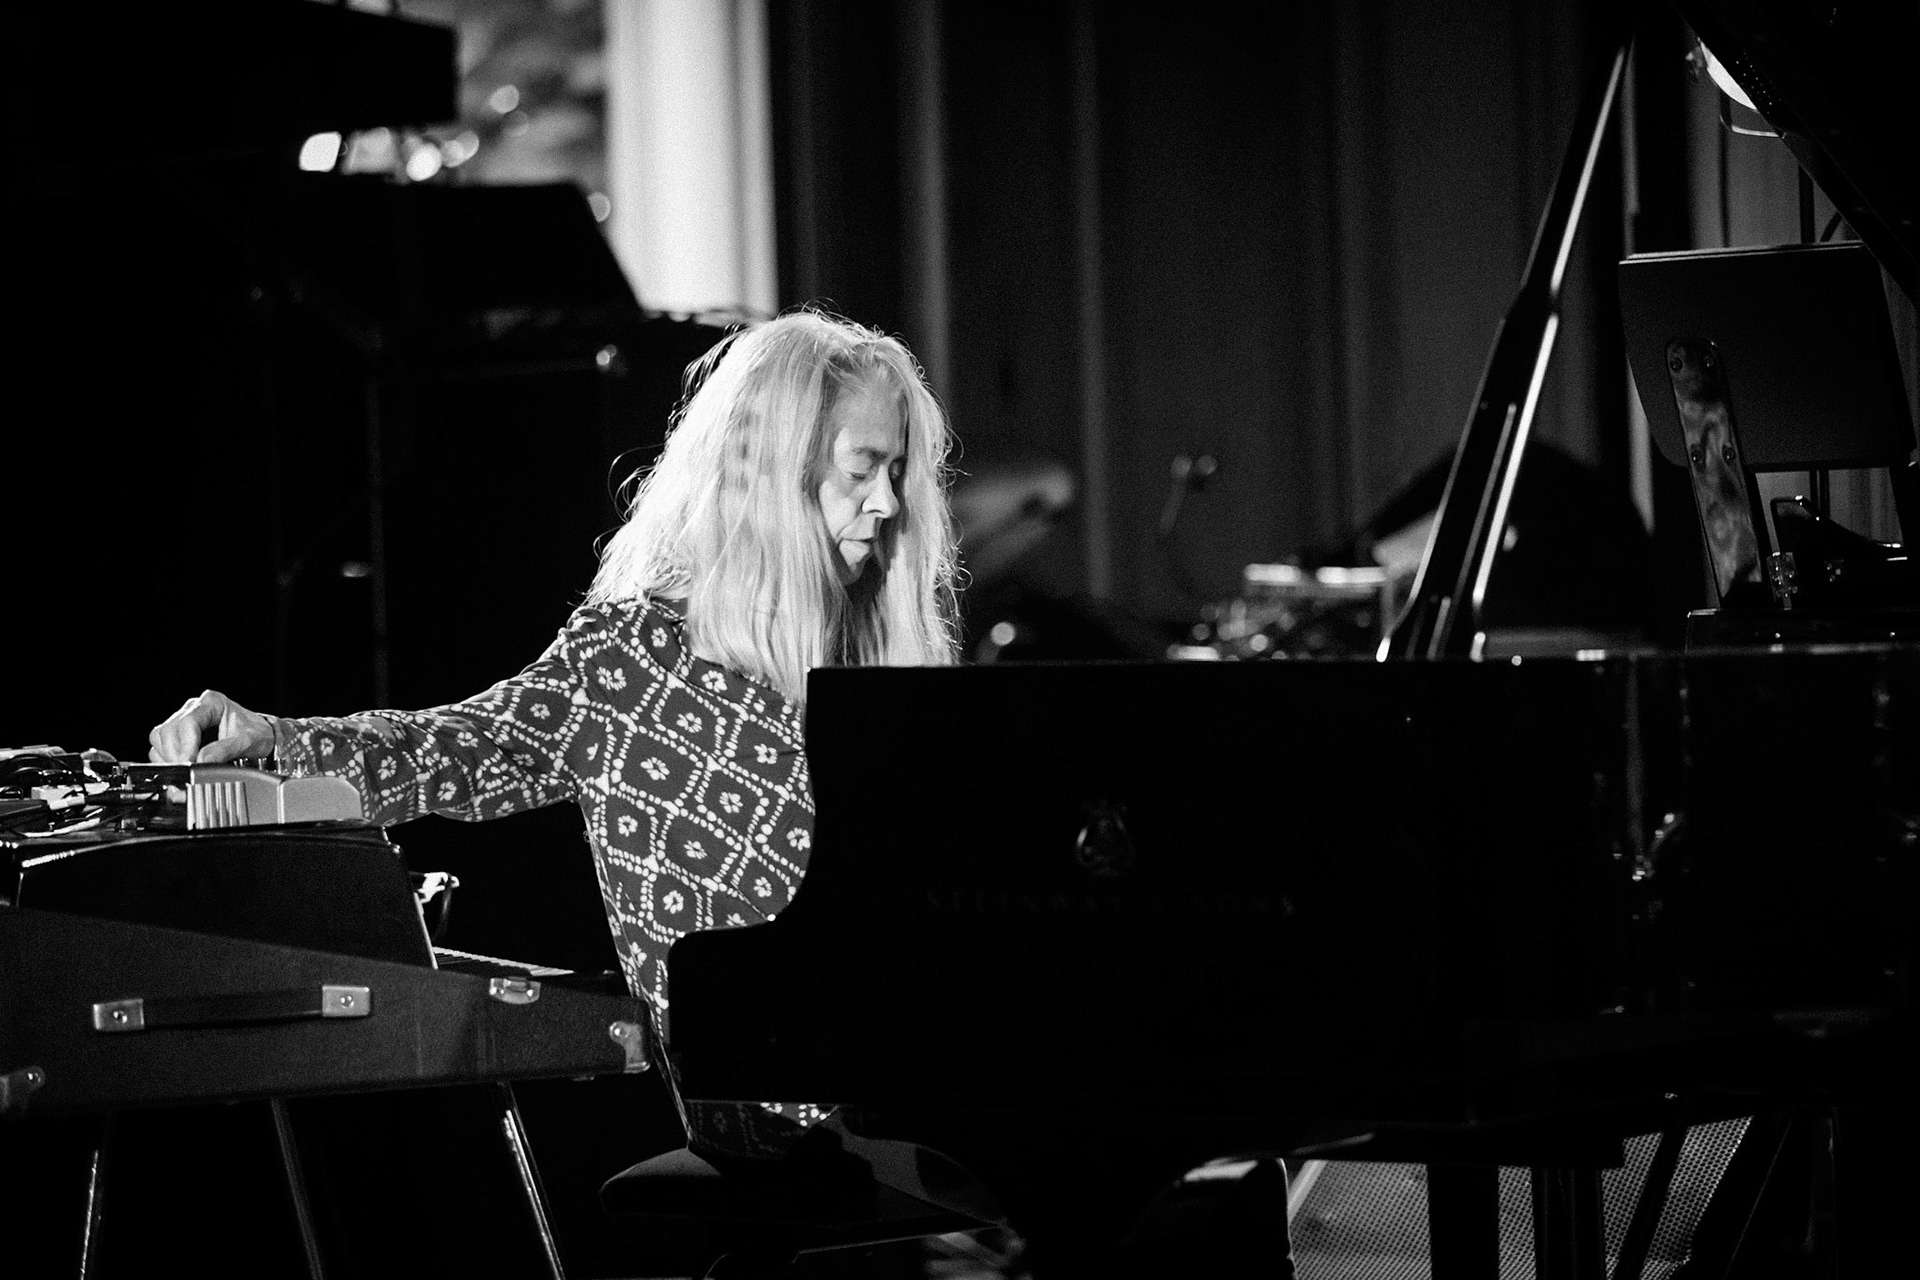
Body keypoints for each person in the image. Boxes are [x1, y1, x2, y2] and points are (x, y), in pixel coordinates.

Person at [147, 309, 961, 1157]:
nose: (889, 501)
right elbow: (455, 749)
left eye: (899, 470)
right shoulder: (635, 657)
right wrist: (276, 738)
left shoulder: (868, 658)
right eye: (863, 467)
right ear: (774, 470)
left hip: (921, 1090)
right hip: (783, 1127)